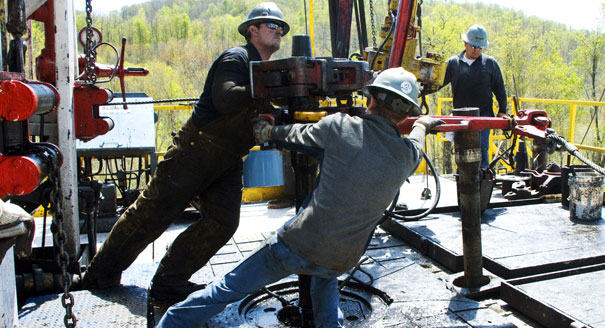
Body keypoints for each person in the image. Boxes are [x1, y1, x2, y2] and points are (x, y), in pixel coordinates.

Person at [156, 67, 445, 327]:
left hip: (296, 245)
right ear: (406, 114)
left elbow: (295, 135)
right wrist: (424, 124)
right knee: (325, 277)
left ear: (370, 100)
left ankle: (170, 323)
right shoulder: (407, 155)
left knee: (228, 289)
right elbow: (417, 140)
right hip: (343, 258)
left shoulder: (340, 127)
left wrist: (267, 130)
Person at [82, 2, 290, 301]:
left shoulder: (262, 70)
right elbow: (225, 98)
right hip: (194, 152)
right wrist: (272, 88)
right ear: (252, 30)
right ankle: (99, 277)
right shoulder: (238, 57)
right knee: (150, 216)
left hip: (227, 159)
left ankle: (170, 279)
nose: (278, 30)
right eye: (271, 25)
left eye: (281, 27)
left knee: (222, 222)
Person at [441, 24, 507, 168]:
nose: (476, 50)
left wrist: (502, 110)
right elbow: (439, 82)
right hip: (460, 117)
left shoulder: (490, 64)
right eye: (473, 46)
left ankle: (483, 180)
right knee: (462, 151)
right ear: (465, 43)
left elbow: (500, 88)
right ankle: (464, 180)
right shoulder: (453, 63)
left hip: (483, 116)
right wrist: (421, 91)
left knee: (482, 149)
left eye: (480, 47)